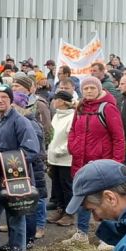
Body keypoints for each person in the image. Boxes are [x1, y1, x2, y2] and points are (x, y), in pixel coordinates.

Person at [0, 86, 42, 251]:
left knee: (16, 219)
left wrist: (6, 164)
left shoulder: (21, 121)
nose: (0, 100)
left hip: (16, 179)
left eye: (4, 97)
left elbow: (31, 149)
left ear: (10, 100)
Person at [66, 76, 126, 246]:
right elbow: (73, 130)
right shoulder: (80, 108)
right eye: (86, 88)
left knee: (105, 200)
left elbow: (118, 137)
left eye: (92, 88)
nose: (89, 91)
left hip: (102, 163)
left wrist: (116, 163)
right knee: (82, 197)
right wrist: (73, 146)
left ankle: (108, 238)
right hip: (81, 162)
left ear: (99, 89)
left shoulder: (107, 108)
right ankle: (82, 233)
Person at [46, 91, 76, 227]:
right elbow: (53, 135)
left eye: (55, 99)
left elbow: (71, 138)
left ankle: (69, 214)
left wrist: (59, 150)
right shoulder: (56, 116)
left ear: (63, 101)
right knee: (57, 186)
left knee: (66, 187)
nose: (53, 102)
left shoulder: (72, 117)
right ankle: (60, 209)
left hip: (66, 159)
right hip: (54, 158)